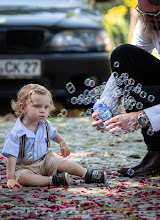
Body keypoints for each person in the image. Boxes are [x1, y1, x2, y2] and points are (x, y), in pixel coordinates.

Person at [92, 0, 160, 177]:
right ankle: (157, 153)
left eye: (155, 15)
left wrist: (143, 117)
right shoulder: (148, 21)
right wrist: (106, 106)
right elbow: (125, 68)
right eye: (142, 12)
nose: (147, 19)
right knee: (123, 54)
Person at [2, 84, 106, 189]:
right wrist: (10, 178)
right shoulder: (16, 133)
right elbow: (12, 157)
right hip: (25, 166)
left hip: (45, 159)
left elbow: (54, 135)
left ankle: (86, 174)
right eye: (37, 106)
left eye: (46, 107)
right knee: (23, 178)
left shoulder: (45, 125)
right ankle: (53, 180)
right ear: (23, 108)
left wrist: (62, 143)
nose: (43, 110)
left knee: (64, 163)